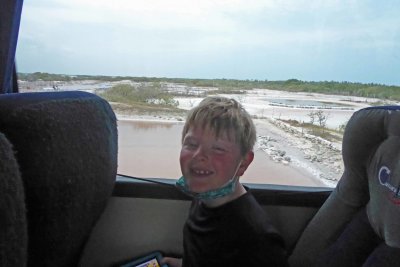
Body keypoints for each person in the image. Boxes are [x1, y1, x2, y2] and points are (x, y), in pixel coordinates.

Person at [162, 96, 289, 267]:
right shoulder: (203, 197)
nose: (199, 156)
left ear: (243, 163)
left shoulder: (257, 241)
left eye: (218, 149)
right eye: (191, 144)